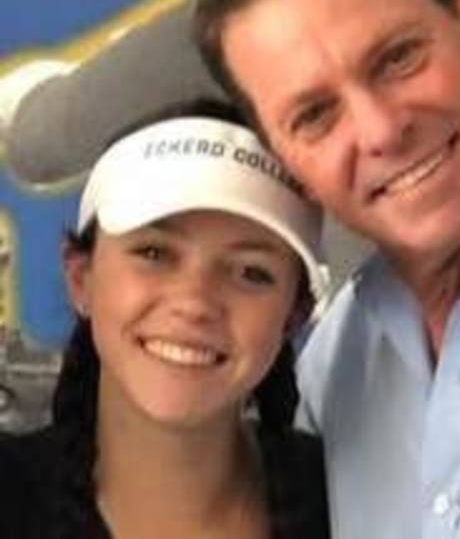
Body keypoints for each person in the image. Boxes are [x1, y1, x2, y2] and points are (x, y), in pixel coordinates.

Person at [193, 0, 460, 537]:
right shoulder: (335, 364)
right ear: (290, 170)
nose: (380, 130)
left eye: (398, 59)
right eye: (315, 115)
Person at [0, 98, 330, 539]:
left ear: (294, 314)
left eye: (251, 272)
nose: (194, 302)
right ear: (81, 278)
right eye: (154, 253)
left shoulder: (352, 498)